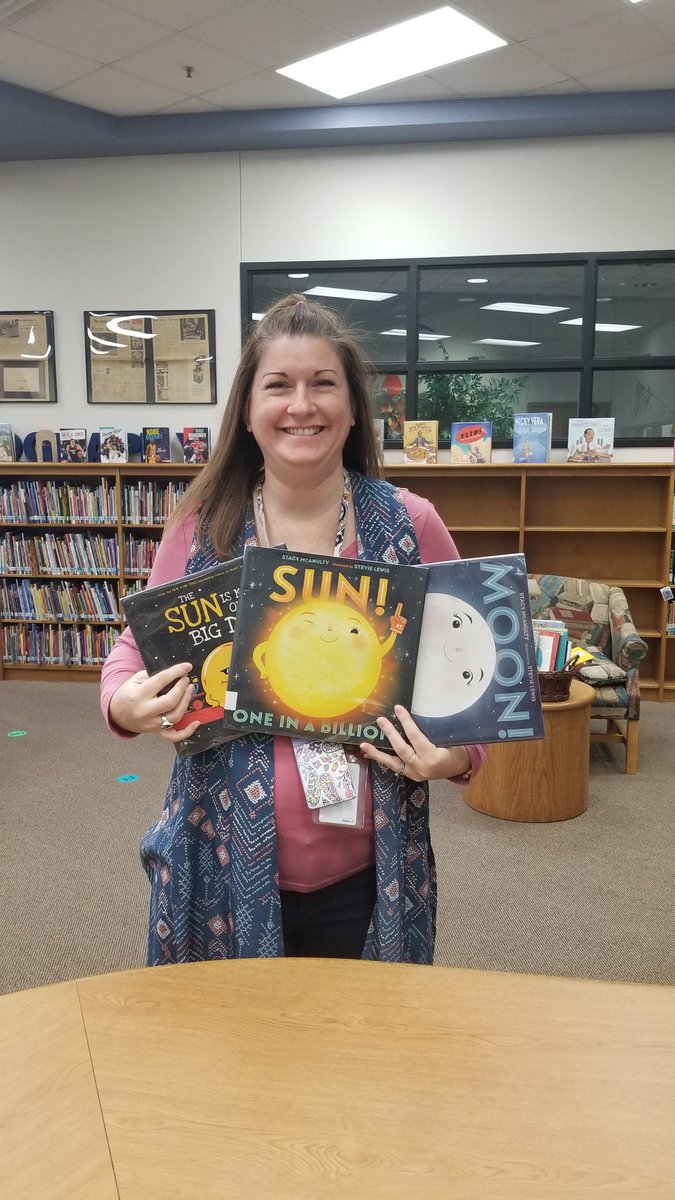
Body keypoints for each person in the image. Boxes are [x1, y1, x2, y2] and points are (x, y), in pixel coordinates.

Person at [101, 295, 487, 966]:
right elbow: (132, 654)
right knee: (235, 1053)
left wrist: (454, 759)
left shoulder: (410, 524)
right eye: (278, 385)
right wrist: (126, 705)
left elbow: (473, 681)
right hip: (217, 862)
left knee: (359, 1046)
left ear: (353, 408)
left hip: (369, 878)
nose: (300, 405)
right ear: (248, 413)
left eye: (322, 384)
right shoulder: (202, 529)